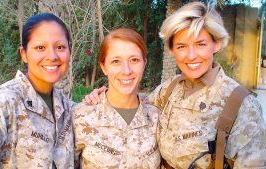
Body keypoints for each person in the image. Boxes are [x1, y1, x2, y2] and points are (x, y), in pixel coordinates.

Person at [84, 2, 266, 169]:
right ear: (172, 50)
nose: (191, 55)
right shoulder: (167, 91)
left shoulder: (240, 105)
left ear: (217, 43)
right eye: (181, 46)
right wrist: (104, 96)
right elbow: (133, 108)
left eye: (200, 44)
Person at [0, 13, 75, 168]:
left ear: (69, 52)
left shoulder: (68, 109)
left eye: (60, 47)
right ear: (24, 54)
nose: (52, 55)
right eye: (40, 47)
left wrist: (102, 97)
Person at [74, 28, 161, 168]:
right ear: (104, 66)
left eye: (134, 60)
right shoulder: (80, 117)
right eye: (116, 61)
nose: (126, 71)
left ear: (144, 63)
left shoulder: (157, 119)